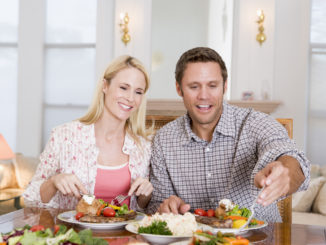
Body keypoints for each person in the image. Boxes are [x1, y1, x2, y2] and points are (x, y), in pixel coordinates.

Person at [146, 47, 310, 222]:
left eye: (212, 86)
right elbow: (155, 205)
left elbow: (290, 156)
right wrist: (166, 207)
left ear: (225, 86)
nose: (203, 96)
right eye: (194, 86)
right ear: (179, 89)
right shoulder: (163, 140)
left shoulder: (256, 123)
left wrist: (286, 171)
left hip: (260, 239)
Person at [23, 55, 153, 210]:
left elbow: (142, 210)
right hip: (74, 233)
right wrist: (53, 182)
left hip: (124, 233)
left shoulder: (144, 147)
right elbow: (30, 198)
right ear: (105, 86)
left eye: (138, 92)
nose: (130, 98)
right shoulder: (64, 136)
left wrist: (145, 196)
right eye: (123, 88)